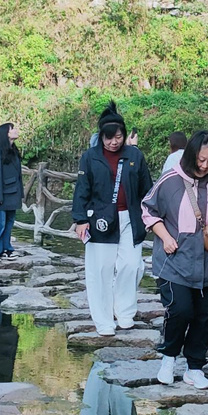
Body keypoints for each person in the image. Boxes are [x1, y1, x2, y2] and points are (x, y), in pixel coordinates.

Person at [142, 130, 208, 389]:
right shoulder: (171, 180)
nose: (205, 165)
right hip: (175, 260)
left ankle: (195, 368)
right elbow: (148, 210)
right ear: (191, 155)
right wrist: (165, 237)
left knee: (205, 316)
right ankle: (168, 358)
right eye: (201, 159)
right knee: (180, 310)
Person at [72, 102, 153, 337]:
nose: (113, 142)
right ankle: (104, 321)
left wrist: (150, 215)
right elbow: (82, 190)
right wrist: (80, 219)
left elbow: (147, 189)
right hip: (99, 219)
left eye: (118, 137)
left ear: (124, 135)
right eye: (108, 138)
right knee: (100, 271)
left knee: (132, 265)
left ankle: (125, 312)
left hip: (130, 217)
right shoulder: (90, 157)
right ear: (101, 137)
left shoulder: (134, 155)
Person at [0, 122, 23, 260]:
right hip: (2, 194)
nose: (15, 130)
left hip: (13, 192)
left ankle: (6, 249)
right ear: (5, 134)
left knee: (9, 223)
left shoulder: (13, 151)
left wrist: (21, 193)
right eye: (12, 129)